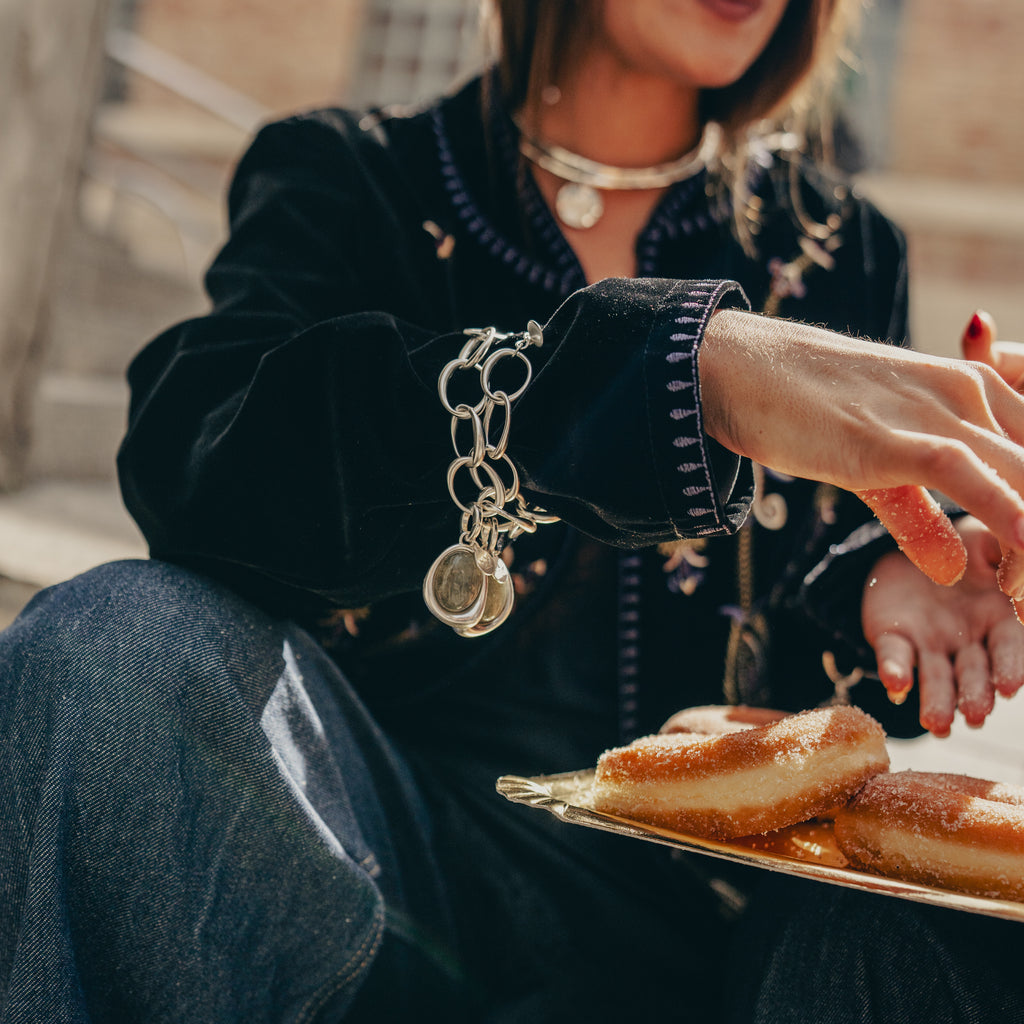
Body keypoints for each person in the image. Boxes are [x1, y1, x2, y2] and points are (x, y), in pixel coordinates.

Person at [2, 0, 1024, 1020]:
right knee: (109, 644)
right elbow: (203, 469)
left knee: (939, 926)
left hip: (712, 932)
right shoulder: (353, 176)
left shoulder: (839, 242)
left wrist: (888, 583)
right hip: (367, 862)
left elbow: (801, 714)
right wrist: (668, 372)